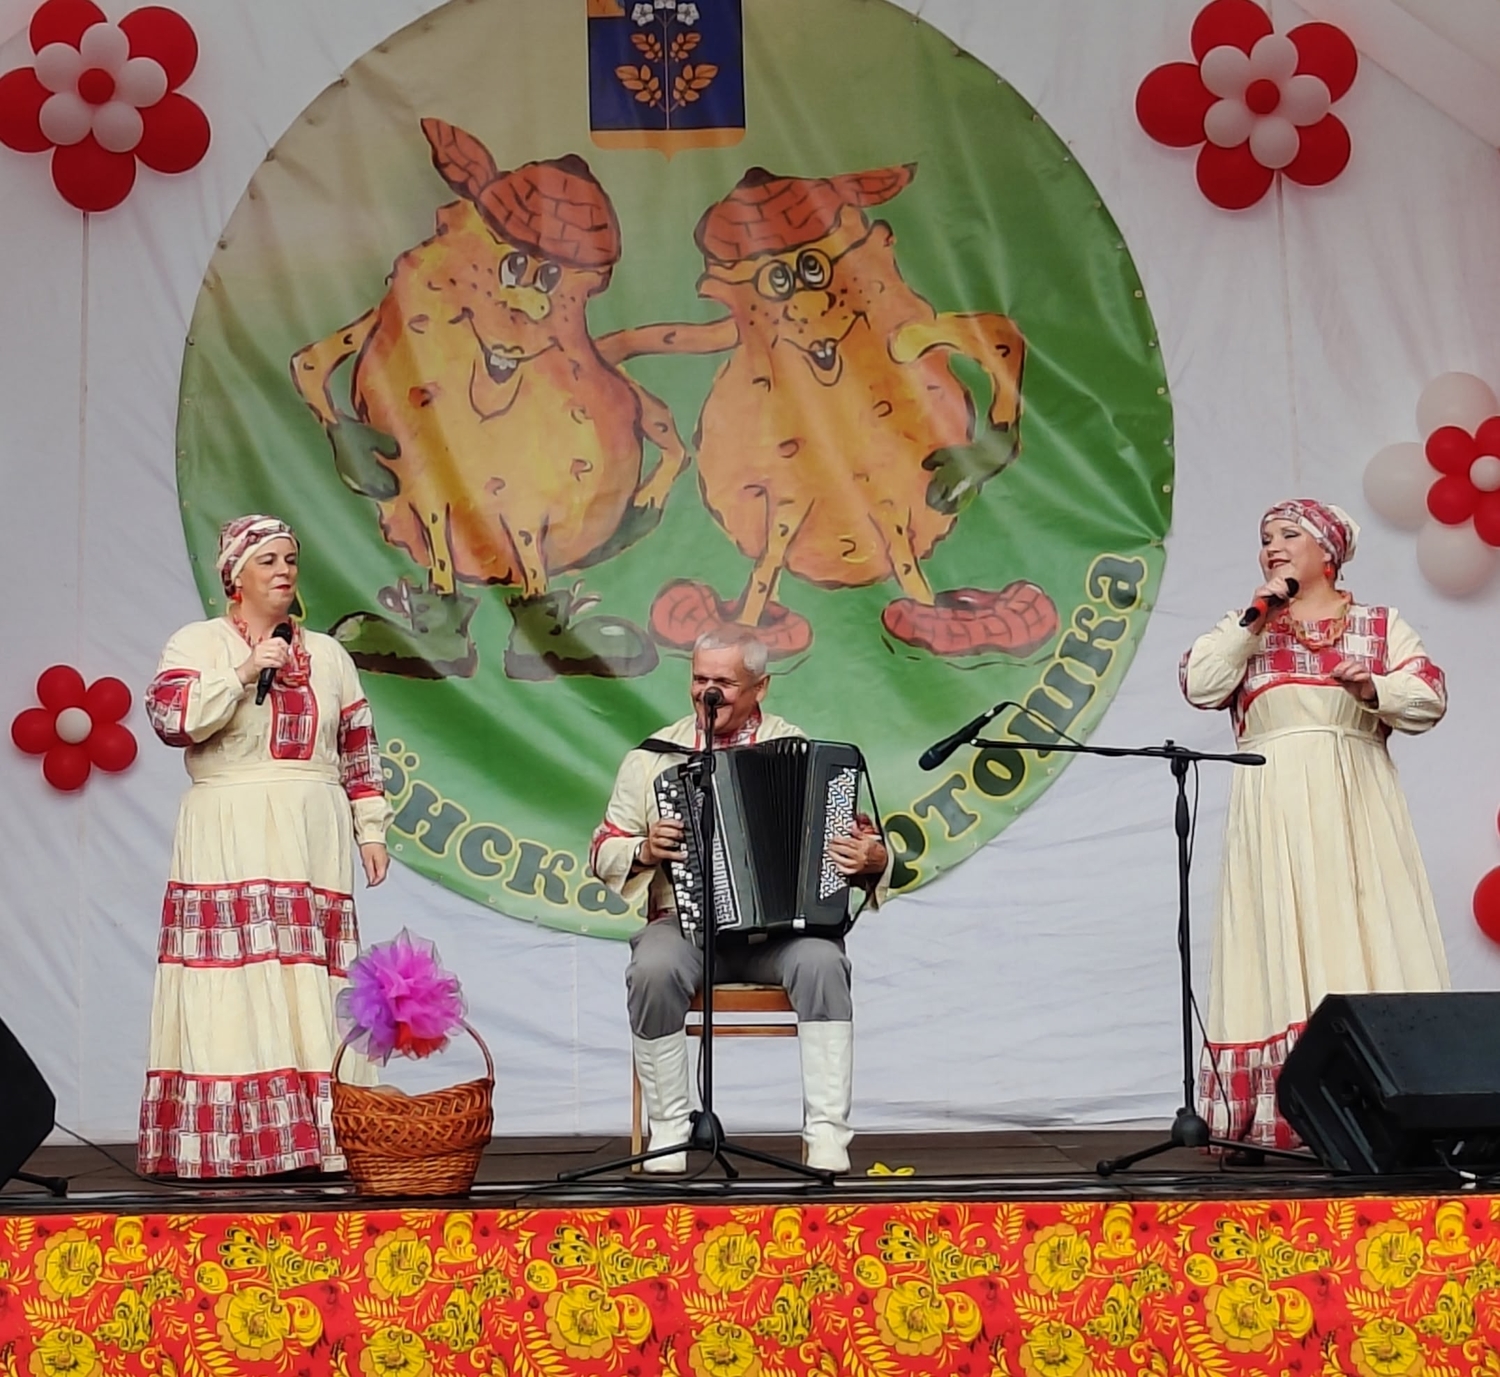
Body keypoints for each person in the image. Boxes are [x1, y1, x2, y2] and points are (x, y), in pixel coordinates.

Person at [1181, 499, 1449, 1157]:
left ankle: (1382, 1103)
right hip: (1272, 808)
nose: (1272, 546)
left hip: (1355, 805)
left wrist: (1373, 689)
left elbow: (1429, 698)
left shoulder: (1379, 625)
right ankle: (1287, 1111)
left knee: (1364, 928)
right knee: (1278, 937)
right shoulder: (1247, 629)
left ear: (1327, 552)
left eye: (1288, 534)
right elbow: (1201, 683)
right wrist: (1256, 616)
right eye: (1265, 537)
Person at [138, 515, 393, 1178]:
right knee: (236, 973)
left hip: (311, 827)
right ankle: (237, 1144)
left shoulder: (329, 656)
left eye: (290, 560)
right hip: (231, 819)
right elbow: (171, 719)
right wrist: (244, 670)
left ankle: (320, 1137)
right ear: (235, 574)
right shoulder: (197, 642)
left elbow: (359, 746)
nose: (284, 571)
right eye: (269, 560)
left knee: (310, 973)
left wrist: (370, 828)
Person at [589, 628, 891, 1174]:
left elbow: (858, 840)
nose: (708, 693)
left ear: (760, 687)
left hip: (779, 936)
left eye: (724, 683)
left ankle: (827, 1133)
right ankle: (670, 1127)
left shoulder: (798, 750)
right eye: (699, 679)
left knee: (823, 963)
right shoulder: (651, 758)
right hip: (684, 926)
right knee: (652, 969)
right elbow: (602, 847)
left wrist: (871, 858)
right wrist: (644, 848)